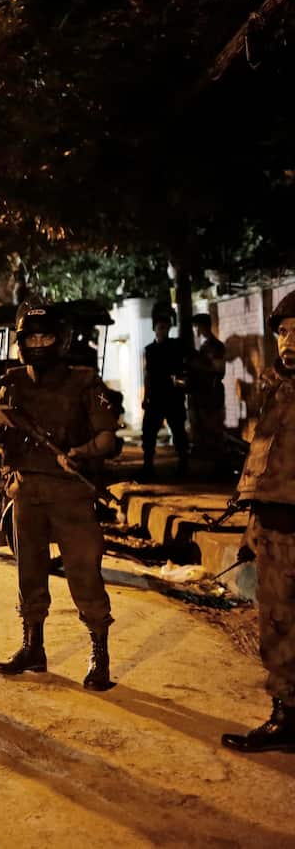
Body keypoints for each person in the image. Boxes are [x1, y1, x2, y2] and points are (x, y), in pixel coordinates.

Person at [0, 304, 120, 691]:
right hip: (25, 490)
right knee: (29, 573)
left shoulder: (83, 381)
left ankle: (99, 655)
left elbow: (107, 438)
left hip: (70, 492)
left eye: (45, 336)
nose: (38, 344)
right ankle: (33, 648)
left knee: (84, 574)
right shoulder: (11, 382)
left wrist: (82, 452)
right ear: (21, 342)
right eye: (31, 337)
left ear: (61, 341)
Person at [222, 290, 295, 753]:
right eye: (284, 332)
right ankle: (286, 716)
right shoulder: (278, 390)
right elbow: (262, 460)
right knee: (278, 624)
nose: (289, 342)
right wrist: (254, 520)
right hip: (274, 526)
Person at [141, 313, 189, 478]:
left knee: (178, 431)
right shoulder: (150, 350)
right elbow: (147, 374)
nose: (163, 331)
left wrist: (182, 383)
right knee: (148, 432)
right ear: (154, 329)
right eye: (161, 327)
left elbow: (185, 366)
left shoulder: (175, 346)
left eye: (166, 328)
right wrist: (145, 396)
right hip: (156, 396)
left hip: (173, 396)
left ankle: (183, 464)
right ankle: (148, 465)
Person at [187, 312, 228, 468]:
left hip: (211, 394)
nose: (195, 330)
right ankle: (210, 465)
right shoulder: (202, 346)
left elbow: (219, 369)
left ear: (204, 326)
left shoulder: (215, 346)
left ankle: (219, 466)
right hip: (200, 394)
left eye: (197, 326)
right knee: (201, 431)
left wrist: (198, 365)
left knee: (213, 430)